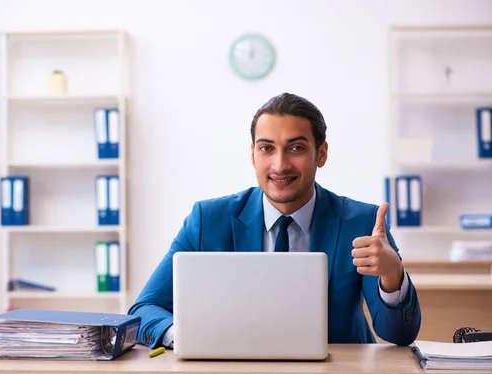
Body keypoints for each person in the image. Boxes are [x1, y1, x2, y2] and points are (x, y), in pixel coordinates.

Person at [128, 93, 421, 349]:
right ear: (253, 155)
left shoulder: (363, 222)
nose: (280, 165)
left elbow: (398, 334)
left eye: (296, 148)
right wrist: (184, 336)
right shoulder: (207, 220)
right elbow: (144, 309)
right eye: (267, 148)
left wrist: (392, 274)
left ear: (321, 154)